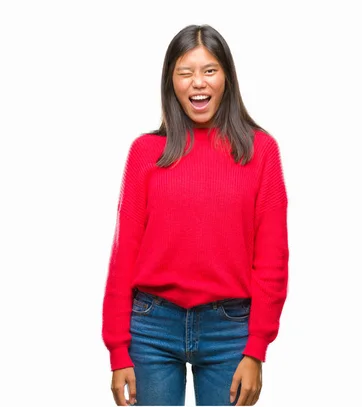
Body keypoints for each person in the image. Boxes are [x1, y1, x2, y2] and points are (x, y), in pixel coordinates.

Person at [101, 24, 289, 406]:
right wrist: (118, 350)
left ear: (227, 78)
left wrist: (255, 350)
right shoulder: (144, 152)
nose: (197, 83)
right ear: (171, 82)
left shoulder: (261, 151)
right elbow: (124, 256)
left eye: (209, 70)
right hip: (151, 327)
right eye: (185, 72)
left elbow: (272, 260)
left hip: (230, 331)